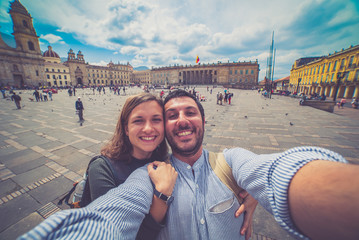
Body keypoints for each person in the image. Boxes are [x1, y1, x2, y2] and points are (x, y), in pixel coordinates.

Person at [19, 90, 359, 240]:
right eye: (171, 115)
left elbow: (273, 174)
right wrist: (160, 200)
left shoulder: (231, 161)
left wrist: (257, 190)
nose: (180, 121)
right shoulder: (149, 176)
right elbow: (108, 217)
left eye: (190, 112)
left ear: (204, 119)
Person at [87, 93, 177, 239]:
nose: (148, 128)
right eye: (138, 121)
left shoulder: (166, 161)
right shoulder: (102, 169)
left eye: (156, 120)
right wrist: (162, 196)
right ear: (126, 128)